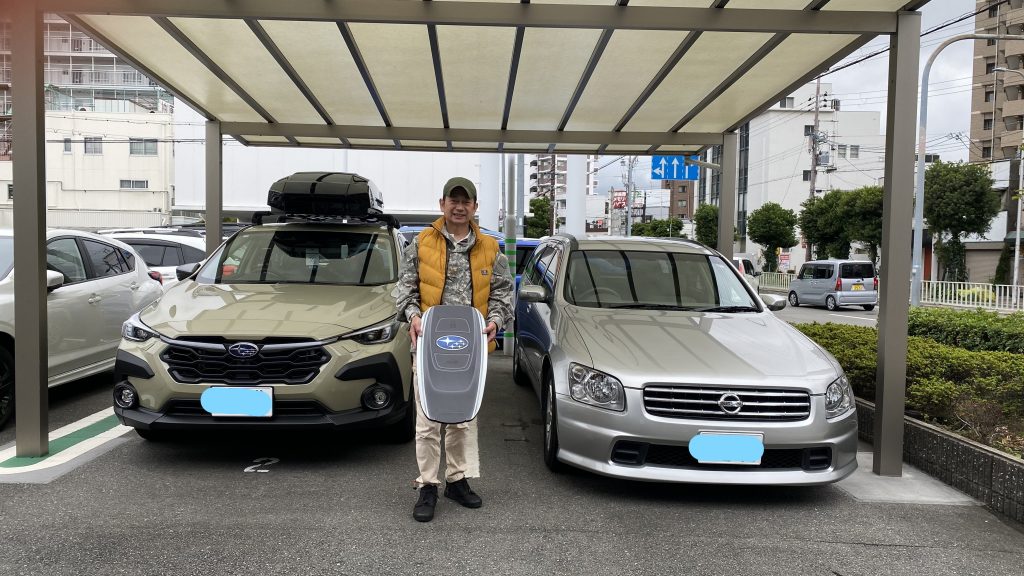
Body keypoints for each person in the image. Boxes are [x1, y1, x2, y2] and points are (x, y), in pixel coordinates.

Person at [394, 176, 514, 523]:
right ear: (442, 204)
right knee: (428, 421)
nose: (459, 207)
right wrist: (414, 317)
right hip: (428, 347)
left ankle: (457, 481)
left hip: (470, 350)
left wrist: (495, 321)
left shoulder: (490, 247)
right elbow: (404, 290)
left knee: (462, 419)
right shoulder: (421, 242)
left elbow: (503, 293)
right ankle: (427, 485)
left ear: (475, 207)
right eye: (453, 200)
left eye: (466, 202)